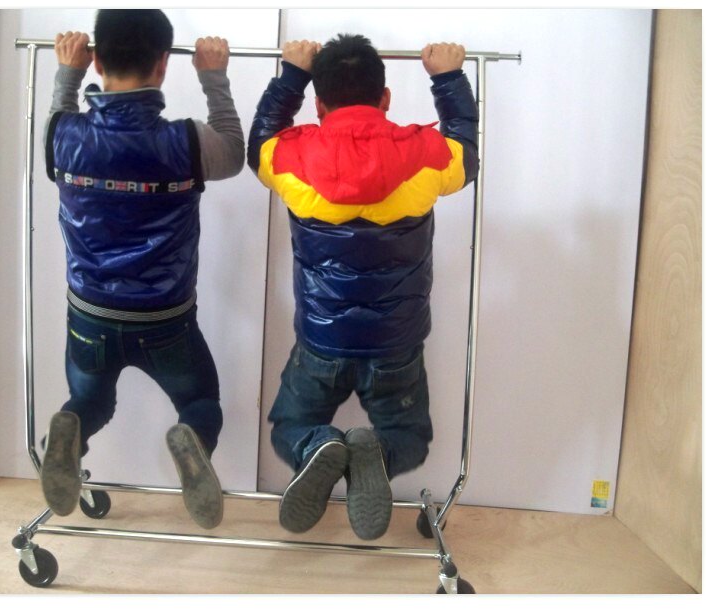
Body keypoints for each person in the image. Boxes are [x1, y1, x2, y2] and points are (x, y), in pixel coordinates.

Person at [247, 34, 478, 540]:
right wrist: (448, 79)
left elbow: (259, 144)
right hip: (396, 345)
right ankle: (375, 452)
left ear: (319, 104)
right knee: (409, 439)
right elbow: (467, 155)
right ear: (385, 98)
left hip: (321, 344)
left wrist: (291, 76)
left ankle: (318, 446)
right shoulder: (427, 154)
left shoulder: (290, 156)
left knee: (289, 430)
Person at [39, 9, 244, 530]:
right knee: (200, 400)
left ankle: (72, 429)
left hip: (90, 317)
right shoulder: (188, 141)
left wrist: (67, 72)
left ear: (97, 61)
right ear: (163, 64)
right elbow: (235, 153)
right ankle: (192, 437)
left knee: (90, 400)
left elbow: (61, 110)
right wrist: (214, 77)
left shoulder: (63, 134)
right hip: (164, 321)